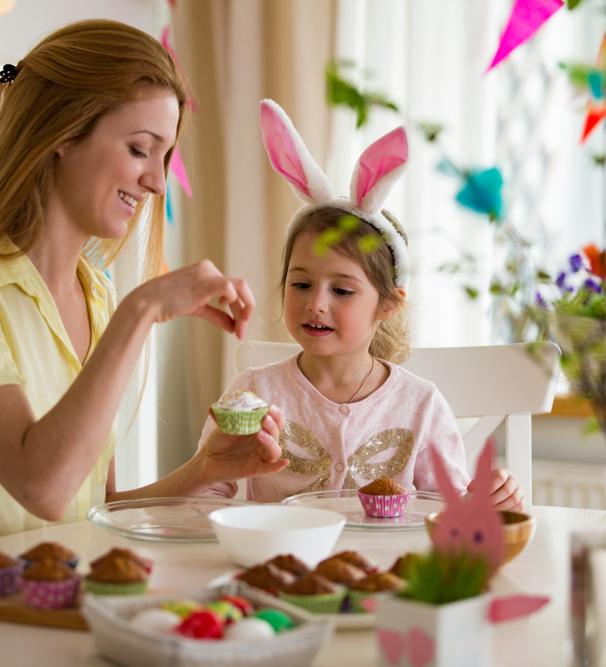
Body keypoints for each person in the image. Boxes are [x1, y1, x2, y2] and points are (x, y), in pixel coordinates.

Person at [0, 21, 289, 666]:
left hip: (32, 624)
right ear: (61, 136)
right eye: (139, 148)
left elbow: (84, 505)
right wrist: (145, 308)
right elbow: (40, 484)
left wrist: (205, 472)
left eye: (164, 156)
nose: (157, 181)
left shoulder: (93, 296)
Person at [198, 100, 524, 509]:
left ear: (388, 304)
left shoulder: (421, 406)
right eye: (301, 283)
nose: (316, 303)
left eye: (342, 290)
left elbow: (450, 510)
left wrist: (492, 500)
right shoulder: (254, 392)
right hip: (283, 568)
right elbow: (205, 496)